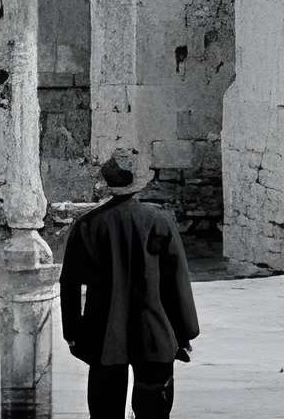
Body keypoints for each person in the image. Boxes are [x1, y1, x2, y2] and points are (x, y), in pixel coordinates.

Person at [59, 148, 199, 419]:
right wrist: (185, 332)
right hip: (154, 333)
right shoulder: (160, 221)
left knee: (105, 411)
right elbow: (177, 281)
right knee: (153, 411)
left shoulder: (87, 226)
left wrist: (73, 332)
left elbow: (70, 284)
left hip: (103, 335)